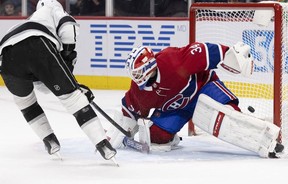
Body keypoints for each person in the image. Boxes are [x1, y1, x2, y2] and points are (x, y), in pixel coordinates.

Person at [106, 43, 284, 158]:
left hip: (202, 89)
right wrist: (122, 131)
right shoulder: (140, 90)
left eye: (138, 72)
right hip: (177, 109)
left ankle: (264, 138)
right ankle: (171, 137)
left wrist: (234, 57)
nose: (136, 77)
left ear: (150, 67)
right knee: (156, 138)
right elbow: (130, 111)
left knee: (227, 116)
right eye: (134, 74)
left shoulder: (171, 61)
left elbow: (206, 51)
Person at [0, 0, 116, 162]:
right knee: (73, 99)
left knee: (25, 103)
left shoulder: (28, 20)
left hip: (6, 57)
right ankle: (102, 143)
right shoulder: (53, 9)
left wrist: (68, 82)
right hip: (36, 43)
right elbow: (69, 28)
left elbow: (43, 86)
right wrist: (72, 86)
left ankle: (49, 140)